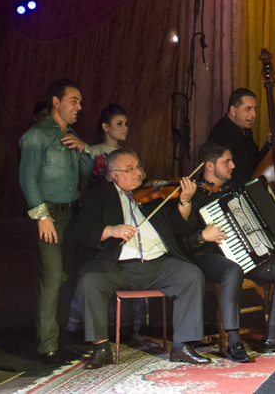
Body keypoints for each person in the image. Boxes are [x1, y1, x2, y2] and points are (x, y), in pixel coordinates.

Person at [75, 148, 209, 369]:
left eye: (139, 167)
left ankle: (182, 346)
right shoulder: (97, 196)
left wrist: (185, 201)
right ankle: (101, 348)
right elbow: (83, 229)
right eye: (130, 169)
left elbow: (180, 226)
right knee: (89, 282)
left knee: (191, 275)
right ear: (114, 175)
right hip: (117, 267)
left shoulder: (152, 196)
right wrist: (110, 229)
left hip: (159, 265)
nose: (138, 173)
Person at [178, 142, 275, 362]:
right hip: (208, 258)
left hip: (243, 255)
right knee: (233, 269)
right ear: (209, 165)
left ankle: (272, 338)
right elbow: (181, 239)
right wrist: (202, 236)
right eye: (227, 161)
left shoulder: (233, 192)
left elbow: (256, 227)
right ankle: (234, 341)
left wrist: (273, 210)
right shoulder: (193, 195)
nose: (233, 165)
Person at [18, 78, 96, 365]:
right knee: (52, 277)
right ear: (56, 102)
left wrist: (83, 148)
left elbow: (87, 173)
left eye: (80, 101)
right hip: (48, 214)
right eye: (74, 100)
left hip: (71, 213)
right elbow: (27, 177)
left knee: (67, 278)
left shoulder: (72, 135)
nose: (79, 106)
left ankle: (59, 339)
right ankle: (47, 347)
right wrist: (41, 216)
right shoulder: (37, 134)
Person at [68, 104, 136, 336]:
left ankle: (125, 326)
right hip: (98, 212)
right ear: (105, 127)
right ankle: (87, 325)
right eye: (119, 123)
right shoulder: (92, 151)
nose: (125, 128)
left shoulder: (128, 154)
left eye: (126, 123)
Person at [206, 88, 271, 187]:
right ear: (233, 111)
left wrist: (269, 144)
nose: (253, 114)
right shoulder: (222, 133)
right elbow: (223, 177)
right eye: (248, 109)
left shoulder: (246, 130)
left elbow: (254, 162)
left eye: (255, 109)